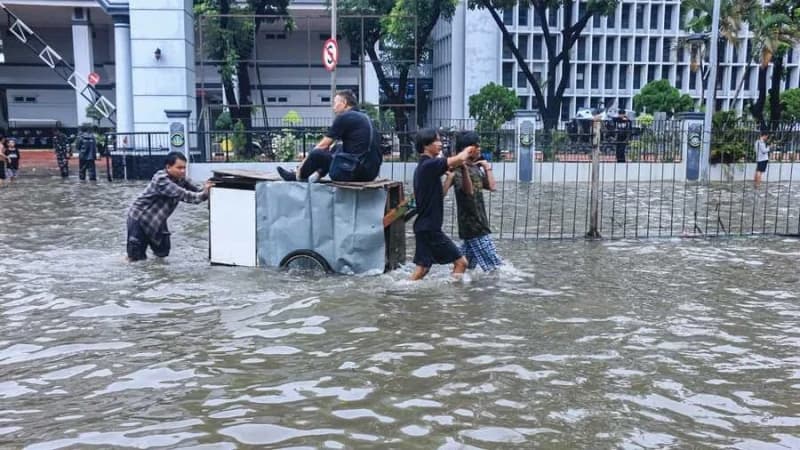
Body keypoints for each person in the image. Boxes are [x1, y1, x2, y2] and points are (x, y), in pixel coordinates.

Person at [411, 128, 479, 281]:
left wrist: (448, 179)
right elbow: (459, 159)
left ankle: (401, 292)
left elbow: (438, 196)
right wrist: (469, 148)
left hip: (424, 227)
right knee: (461, 263)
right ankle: (454, 298)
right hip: (430, 229)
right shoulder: (429, 165)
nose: (440, 144)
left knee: (422, 269)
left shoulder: (424, 167)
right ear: (426, 145)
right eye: (437, 140)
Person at [276, 89, 381, 182]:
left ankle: (297, 176)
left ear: (344, 103)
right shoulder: (365, 117)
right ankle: (318, 174)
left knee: (316, 153)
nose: (333, 107)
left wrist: (301, 165)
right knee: (337, 147)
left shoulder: (345, 117)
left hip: (352, 172)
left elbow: (322, 146)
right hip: (370, 173)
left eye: (335, 103)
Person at [126, 152, 212, 261]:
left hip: (158, 220)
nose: (183, 171)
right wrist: (205, 193)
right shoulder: (161, 179)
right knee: (135, 259)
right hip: (140, 219)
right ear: (168, 167)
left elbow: (198, 190)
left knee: (162, 253)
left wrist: (207, 187)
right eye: (179, 168)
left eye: (184, 168)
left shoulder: (181, 178)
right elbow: (188, 196)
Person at [443, 131, 503, 272]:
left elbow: (492, 187)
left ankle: (456, 286)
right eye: (477, 146)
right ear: (469, 149)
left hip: (479, 223)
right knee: (496, 268)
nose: (480, 149)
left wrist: (487, 168)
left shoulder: (475, 168)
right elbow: (468, 192)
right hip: (474, 226)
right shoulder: (458, 170)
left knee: (465, 266)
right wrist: (463, 169)